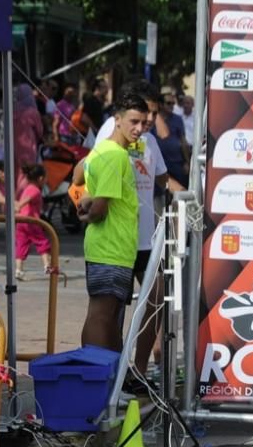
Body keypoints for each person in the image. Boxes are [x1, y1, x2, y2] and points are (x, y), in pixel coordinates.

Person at [89, 79, 169, 378]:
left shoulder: (148, 140)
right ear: (121, 118)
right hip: (114, 242)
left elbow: (163, 178)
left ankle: (136, 369)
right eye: (141, 116)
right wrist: (90, 205)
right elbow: (88, 175)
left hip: (144, 239)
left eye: (150, 116)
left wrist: (193, 197)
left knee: (156, 299)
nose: (146, 123)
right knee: (107, 314)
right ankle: (109, 375)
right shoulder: (110, 142)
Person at [78, 93, 146, 352]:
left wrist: (87, 204)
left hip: (111, 248)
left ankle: (112, 379)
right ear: (117, 120)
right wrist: (89, 213)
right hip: (110, 248)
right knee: (102, 315)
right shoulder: (114, 155)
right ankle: (96, 379)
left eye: (143, 123)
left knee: (106, 316)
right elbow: (100, 208)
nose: (138, 129)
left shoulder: (100, 150)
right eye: (133, 121)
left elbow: (85, 189)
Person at [13, 164, 53, 279]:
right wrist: (19, 205)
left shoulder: (27, 188)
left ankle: (18, 270)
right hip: (31, 222)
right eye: (46, 178)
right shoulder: (35, 190)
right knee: (43, 243)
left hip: (21, 222)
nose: (46, 180)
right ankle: (47, 267)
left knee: (21, 244)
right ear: (40, 178)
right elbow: (26, 200)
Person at [152, 91, 189, 190]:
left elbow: (183, 141)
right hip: (158, 163)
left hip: (177, 163)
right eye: (168, 103)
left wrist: (187, 162)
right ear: (160, 104)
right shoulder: (152, 119)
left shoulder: (178, 119)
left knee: (179, 193)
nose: (171, 106)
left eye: (173, 103)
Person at [12, 83, 44, 167]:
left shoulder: (12, 111)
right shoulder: (32, 112)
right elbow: (40, 132)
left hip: (13, 146)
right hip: (28, 146)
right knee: (28, 171)